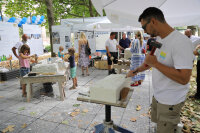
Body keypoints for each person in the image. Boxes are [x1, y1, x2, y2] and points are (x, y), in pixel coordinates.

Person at [127, 7, 193, 133]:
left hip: (170, 100)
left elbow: (184, 78)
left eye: (144, 27)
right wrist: (135, 71)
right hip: (159, 96)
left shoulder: (181, 42)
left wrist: (155, 64)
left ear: (153, 21)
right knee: (158, 127)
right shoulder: (159, 39)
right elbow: (150, 62)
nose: (145, 31)